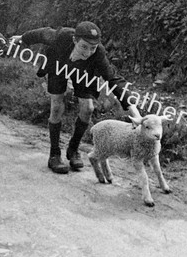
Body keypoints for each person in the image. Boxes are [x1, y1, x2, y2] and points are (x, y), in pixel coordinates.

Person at [10, 21, 142, 174]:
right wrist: (21, 39)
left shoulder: (98, 53)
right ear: (74, 40)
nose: (87, 52)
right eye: (83, 47)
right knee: (57, 105)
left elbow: (114, 80)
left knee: (88, 108)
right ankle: (54, 154)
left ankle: (73, 150)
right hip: (58, 64)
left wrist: (135, 113)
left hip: (85, 73)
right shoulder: (62, 37)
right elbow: (40, 33)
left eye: (92, 48)